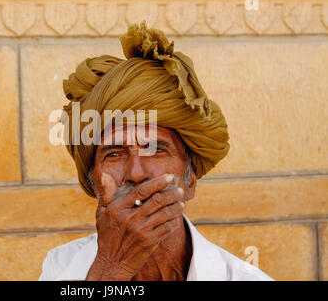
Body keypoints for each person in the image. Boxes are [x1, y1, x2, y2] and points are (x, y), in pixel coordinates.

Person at [39, 21, 273, 281]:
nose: (136, 174)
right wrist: (110, 269)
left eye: (156, 149)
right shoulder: (61, 267)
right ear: (94, 183)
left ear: (190, 181)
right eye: (114, 153)